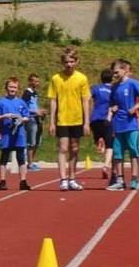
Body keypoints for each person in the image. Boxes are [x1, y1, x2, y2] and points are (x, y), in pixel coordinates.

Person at [47, 46, 90, 191]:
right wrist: (51, 121)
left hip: (77, 119)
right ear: (62, 62)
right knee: (63, 148)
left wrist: (87, 122)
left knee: (75, 148)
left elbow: (85, 100)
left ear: (76, 61)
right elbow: (53, 100)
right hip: (62, 119)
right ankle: (63, 179)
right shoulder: (56, 78)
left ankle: (72, 178)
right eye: (66, 62)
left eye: (72, 61)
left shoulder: (82, 78)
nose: (69, 64)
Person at [106, 59, 139, 191]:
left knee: (133, 152)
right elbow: (111, 104)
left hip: (131, 125)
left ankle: (134, 179)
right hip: (118, 124)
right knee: (118, 153)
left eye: (116, 72)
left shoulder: (133, 84)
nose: (114, 75)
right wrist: (113, 108)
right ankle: (120, 180)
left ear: (125, 69)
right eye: (113, 73)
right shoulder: (114, 87)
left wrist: (136, 106)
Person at [0, 77, 31, 191]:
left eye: (14, 87)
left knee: (21, 157)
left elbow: (27, 116)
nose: (12, 89)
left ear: (18, 89)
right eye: (10, 87)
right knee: (4, 156)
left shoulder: (21, 102)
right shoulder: (1, 102)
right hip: (6, 133)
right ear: (6, 88)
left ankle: (23, 181)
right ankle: (2, 180)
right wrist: (5, 116)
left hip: (19, 134)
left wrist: (21, 119)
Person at [90, 68, 115, 184]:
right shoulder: (114, 89)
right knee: (111, 144)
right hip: (107, 119)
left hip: (95, 119)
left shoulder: (96, 88)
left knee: (99, 136)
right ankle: (106, 165)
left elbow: (87, 97)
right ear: (112, 78)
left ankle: (99, 141)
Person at [22, 73, 45, 172]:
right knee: (32, 141)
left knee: (37, 141)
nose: (37, 83)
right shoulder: (27, 93)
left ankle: (32, 160)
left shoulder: (35, 93)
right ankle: (29, 163)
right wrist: (34, 112)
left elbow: (34, 105)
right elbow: (24, 107)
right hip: (31, 119)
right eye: (35, 81)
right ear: (30, 81)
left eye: (38, 81)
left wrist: (40, 111)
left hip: (36, 118)